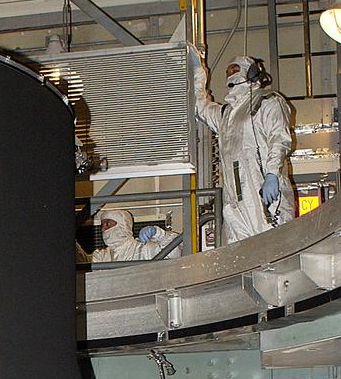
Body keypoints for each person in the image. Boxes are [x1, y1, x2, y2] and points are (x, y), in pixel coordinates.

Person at [190, 50, 295, 243]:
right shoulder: (225, 114)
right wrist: (199, 72)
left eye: (235, 69)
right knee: (241, 257)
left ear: (251, 72)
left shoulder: (268, 101)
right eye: (228, 71)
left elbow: (279, 138)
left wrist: (272, 174)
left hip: (263, 190)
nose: (230, 74)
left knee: (273, 248)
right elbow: (200, 107)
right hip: (234, 199)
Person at [95, 207, 182, 261]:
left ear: (122, 225)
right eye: (102, 225)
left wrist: (159, 234)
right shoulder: (102, 256)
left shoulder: (142, 248)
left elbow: (175, 253)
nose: (103, 229)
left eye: (108, 224)